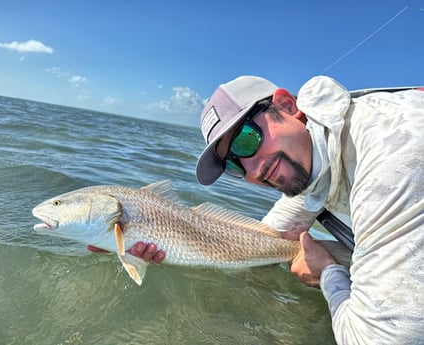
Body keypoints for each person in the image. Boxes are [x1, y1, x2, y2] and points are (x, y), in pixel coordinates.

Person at [130, 75, 424, 344]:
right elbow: (257, 246)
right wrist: (137, 236)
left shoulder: (392, 155)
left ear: (286, 105)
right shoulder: (315, 160)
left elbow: (380, 340)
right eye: (234, 165)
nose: (254, 170)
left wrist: (327, 273)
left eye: (247, 141)